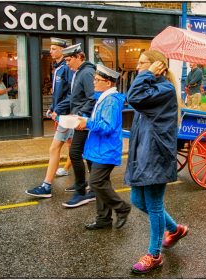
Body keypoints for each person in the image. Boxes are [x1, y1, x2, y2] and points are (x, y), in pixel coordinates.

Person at [125, 50, 188, 274]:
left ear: (157, 66)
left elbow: (133, 97)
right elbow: (134, 97)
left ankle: (154, 255)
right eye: (139, 63)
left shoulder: (164, 89)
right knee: (138, 201)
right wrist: (147, 75)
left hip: (155, 154)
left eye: (143, 63)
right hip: (142, 154)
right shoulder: (153, 87)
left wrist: (147, 75)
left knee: (153, 205)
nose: (138, 67)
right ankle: (175, 229)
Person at [76, 64, 131, 230]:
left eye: (97, 80)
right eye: (94, 79)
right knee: (100, 183)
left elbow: (107, 126)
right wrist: (84, 123)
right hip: (98, 149)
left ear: (108, 83)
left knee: (96, 182)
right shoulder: (104, 98)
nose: (94, 82)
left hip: (105, 150)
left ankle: (122, 208)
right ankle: (103, 219)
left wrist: (88, 122)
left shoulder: (111, 101)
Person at [25, 38, 74, 198]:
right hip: (62, 113)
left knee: (56, 148)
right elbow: (58, 94)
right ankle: (81, 178)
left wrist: (58, 109)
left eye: (54, 48)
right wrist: (52, 108)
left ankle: (46, 186)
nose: (50, 51)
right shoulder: (58, 68)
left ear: (62, 50)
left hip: (67, 114)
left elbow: (71, 94)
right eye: (50, 48)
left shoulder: (66, 68)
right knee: (73, 145)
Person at [60, 43, 97, 208]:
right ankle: (90, 187)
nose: (67, 63)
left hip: (84, 121)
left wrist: (81, 115)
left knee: (75, 153)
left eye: (69, 60)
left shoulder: (87, 72)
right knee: (87, 155)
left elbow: (92, 97)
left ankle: (81, 192)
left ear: (79, 57)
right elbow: (76, 97)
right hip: (79, 120)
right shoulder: (80, 72)